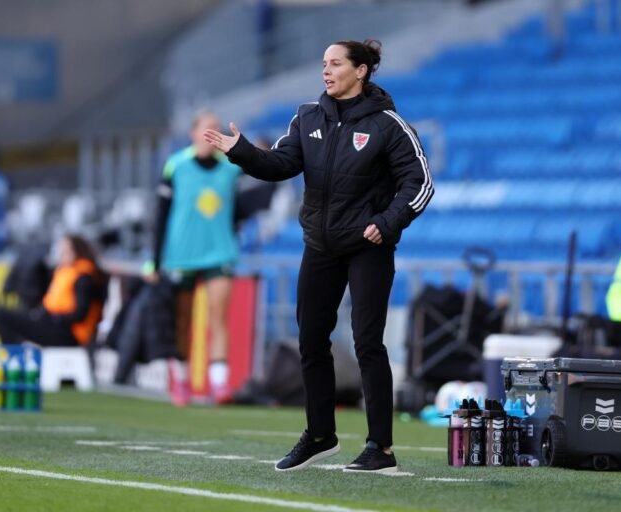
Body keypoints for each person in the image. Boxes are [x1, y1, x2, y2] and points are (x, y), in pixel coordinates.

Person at [204, 39, 433, 473]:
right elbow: (280, 165)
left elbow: (420, 184)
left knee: (367, 344)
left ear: (361, 70)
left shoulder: (388, 125)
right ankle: (320, 435)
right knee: (310, 342)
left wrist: (386, 223)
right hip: (321, 246)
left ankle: (380, 449)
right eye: (323, 64)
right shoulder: (307, 116)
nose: (325, 71)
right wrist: (241, 151)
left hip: (369, 247)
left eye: (335, 64)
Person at [149, 112, 242, 407]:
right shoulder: (176, 165)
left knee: (218, 317)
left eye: (216, 128)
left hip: (220, 252)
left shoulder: (231, 168)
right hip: (181, 256)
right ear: (193, 133)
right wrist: (155, 260)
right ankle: (182, 378)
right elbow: (161, 215)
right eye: (206, 128)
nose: (211, 132)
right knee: (182, 320)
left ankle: (219, 384)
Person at [0, 234, 107, 347]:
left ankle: (14, 354)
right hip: (54, 324)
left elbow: (80, 314)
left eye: (65, 250)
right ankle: (16, 350)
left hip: (68, 333)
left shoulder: (84, 277)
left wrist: (56, 318)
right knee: (4, 313)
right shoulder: (65, 271)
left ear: (76, 251)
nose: (61, 254)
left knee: (2, 315)